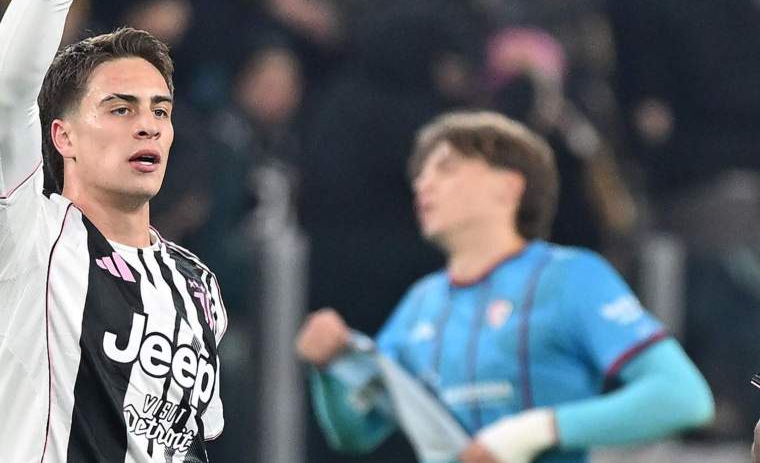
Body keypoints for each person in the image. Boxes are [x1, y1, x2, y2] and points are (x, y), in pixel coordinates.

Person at [0, 0, 228, 462]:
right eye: (120, 109)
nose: (147, 123)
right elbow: (4, 87)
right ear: (63, 137)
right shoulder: (20, 237)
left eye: (160, 111)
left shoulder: (199, 285)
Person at [295, 111, 714, 463]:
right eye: (421, 172)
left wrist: (536, 430)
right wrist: (329, 369)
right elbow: (357, 434)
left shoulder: (571, 277)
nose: (424, 183)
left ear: (508, 187)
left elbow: (684, 397)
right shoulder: (421, 302)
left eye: (447, 168)